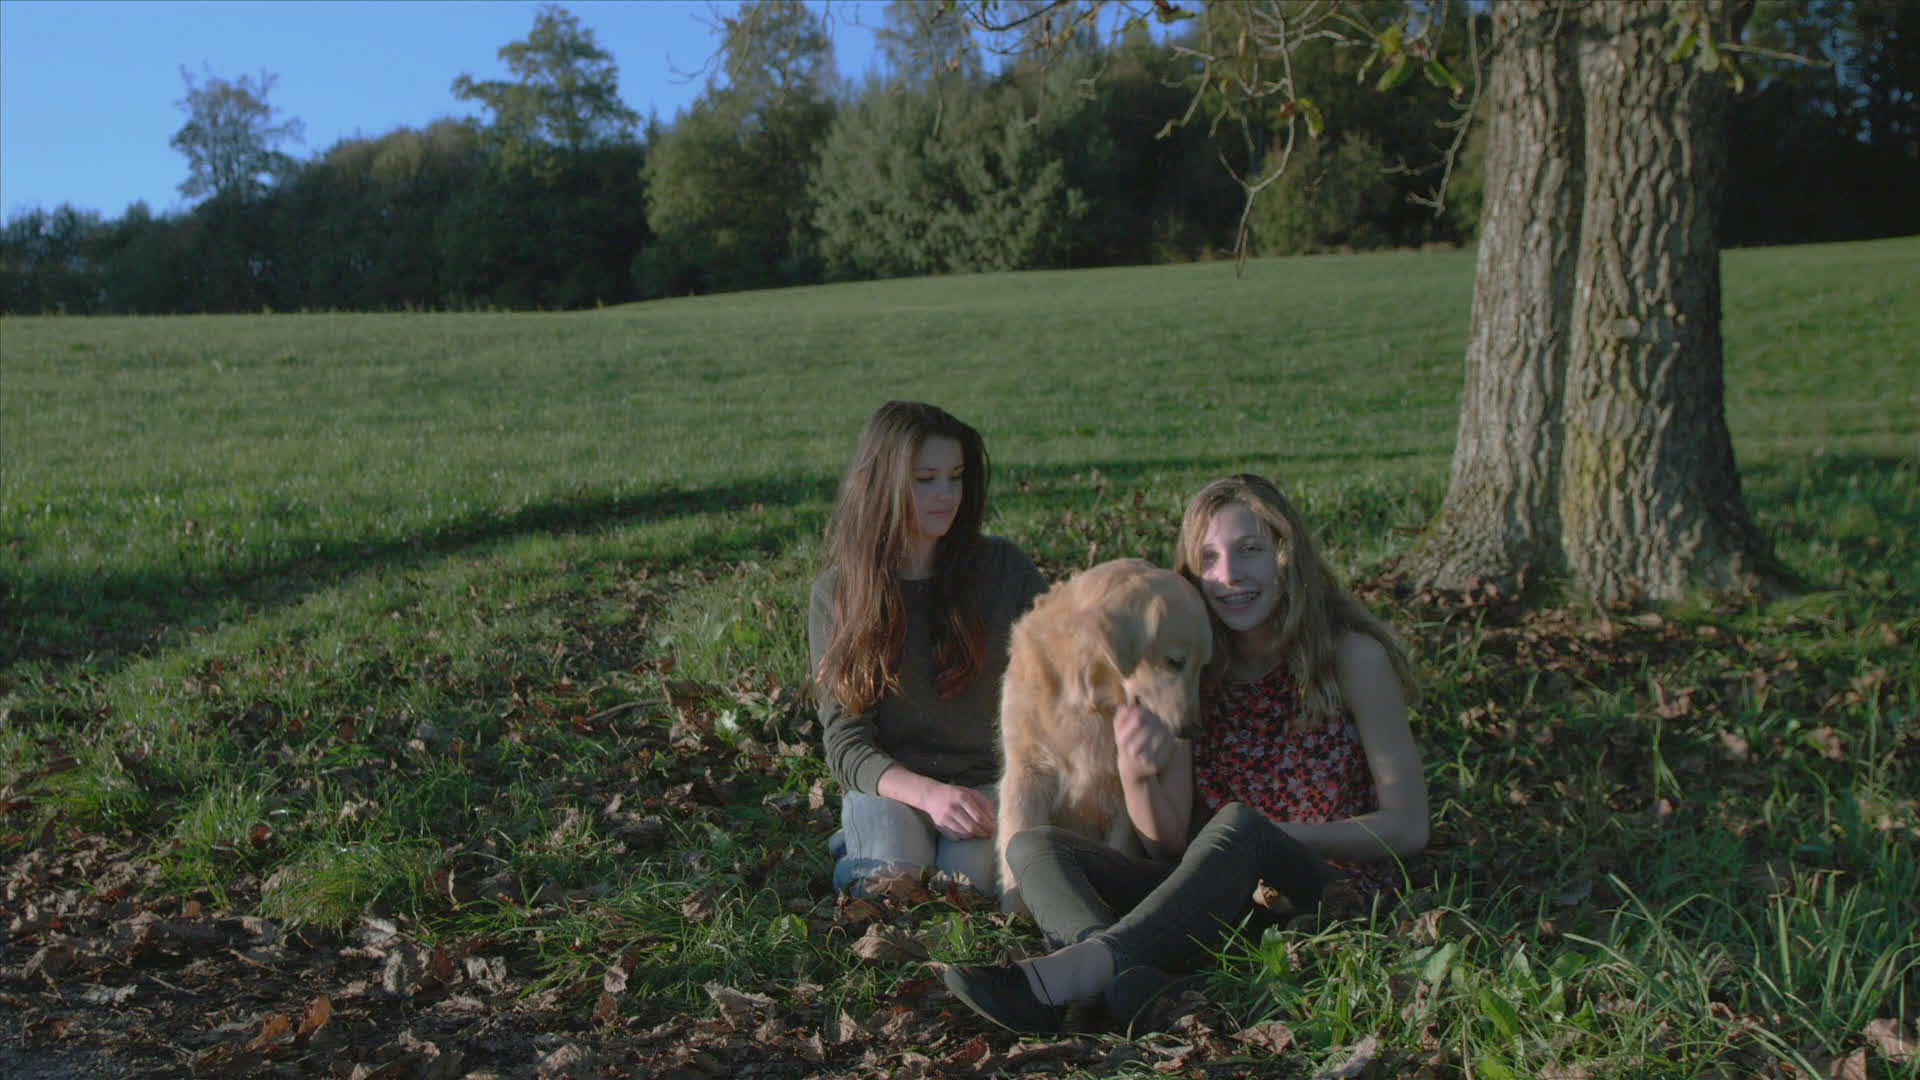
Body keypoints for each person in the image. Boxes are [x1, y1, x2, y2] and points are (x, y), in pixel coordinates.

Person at [943, 473, 1428, 1032]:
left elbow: (1409, 827)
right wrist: (1137, 775)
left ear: (1286, 554)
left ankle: (1069, 978)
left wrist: (1270, 838)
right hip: (1213, 893)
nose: (1229, 575)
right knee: (1033, 846)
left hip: (1320, 890)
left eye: (1250, 550)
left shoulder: (1351, 658)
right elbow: (1168, 842)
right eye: (1209, 558)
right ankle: (1126, 982)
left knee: (1239, 827)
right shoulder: (1187, 662)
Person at [810, 401, 1047, 898]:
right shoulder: (839, 594)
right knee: (890, 884)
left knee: (967, 889)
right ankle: (863, 839)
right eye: (925, 480)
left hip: (986, 784)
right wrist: (930, 796)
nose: (947, 495)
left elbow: (1063, 661)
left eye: (956, 477)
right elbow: (846, 742)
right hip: (894, 786)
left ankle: (888, 841)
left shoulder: (1004, 569)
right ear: (882, 484)